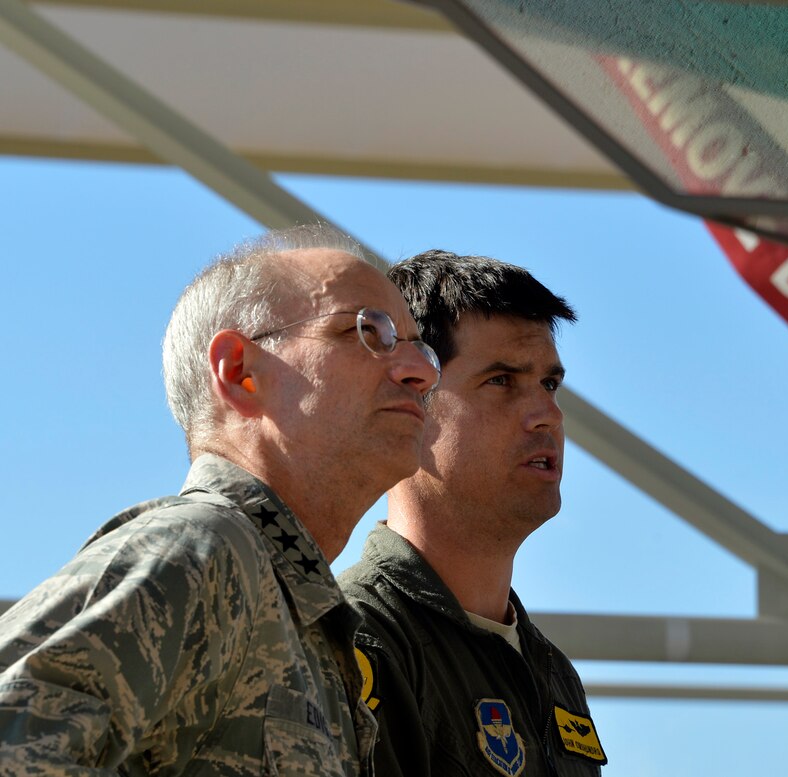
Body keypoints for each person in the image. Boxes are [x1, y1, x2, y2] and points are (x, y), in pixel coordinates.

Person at [0, 225, 441, 775]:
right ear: (239, 372)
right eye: (369, 330)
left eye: (420, 349)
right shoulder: (205, 552)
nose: (421, 372)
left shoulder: (303, 616)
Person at [339, 250, 606, 776]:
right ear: (413, 396)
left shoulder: (552, 673)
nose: (546, 415)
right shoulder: (360, 642)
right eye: (502, 381)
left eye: (550, 384)